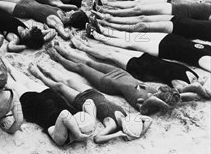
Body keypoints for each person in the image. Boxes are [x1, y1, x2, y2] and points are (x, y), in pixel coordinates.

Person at [27, 61, 152, 144]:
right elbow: (148, 120)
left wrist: (118, 134)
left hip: (81, 101)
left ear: (125, 127)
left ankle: (39, 75)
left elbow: (97, 138)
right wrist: (139, 134)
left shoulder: (112, 125)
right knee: (69, 80)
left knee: (60, 86)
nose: (132, 117)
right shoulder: (128, 117)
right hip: (94, 93)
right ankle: (47, 69)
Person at [48, 41, 183, 113]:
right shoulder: (153, 92)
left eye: (162, 93)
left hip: (107, 82)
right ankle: (64, 52)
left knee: (82, 68)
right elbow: (186, 93)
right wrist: (176, 95)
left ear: (160, 100)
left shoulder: (144, 104)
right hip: (121, 73)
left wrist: (164, 105)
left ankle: (57, 56)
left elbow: (147, 107)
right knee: (90, 62)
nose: (160, 90)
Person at [70, 37, 210, 99]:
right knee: (114, 50)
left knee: (111, 55)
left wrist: (200, 90)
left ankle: (81, 47)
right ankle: (87, 45)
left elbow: (185, 94)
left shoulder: (182, 85)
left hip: (142, 69)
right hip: (150, 59)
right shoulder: (196, 76)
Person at [1, 56, 96, 146]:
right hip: (50, 95)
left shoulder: (62, 138)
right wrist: (92, 120)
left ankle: (0, 72)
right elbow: (89, 103)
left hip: (33, 104)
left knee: (14, 85)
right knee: (27, 81)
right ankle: (9, 67)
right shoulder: (82, 123)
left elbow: (64, 114)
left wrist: (78, 134)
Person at [88, 26, 211, 72]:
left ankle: (98, 36)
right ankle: (104, 31)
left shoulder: (206, 60)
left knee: (130, 42)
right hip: (170, 38)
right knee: (133, 36)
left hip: (164, 48)